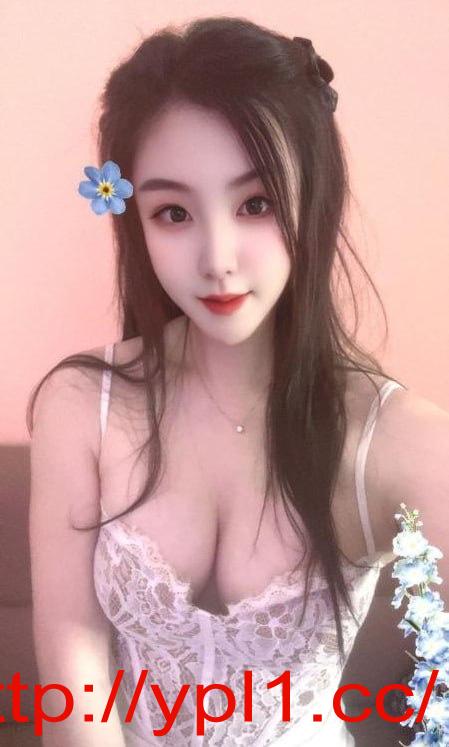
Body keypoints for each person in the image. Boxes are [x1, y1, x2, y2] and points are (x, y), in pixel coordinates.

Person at [27, 15, 449, 747]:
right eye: (173, 212)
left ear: (312, 198)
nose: (217, 257)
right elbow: (74, 668)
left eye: (256, 204)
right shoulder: (81, 406)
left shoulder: (392, 439)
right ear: (133, 219)